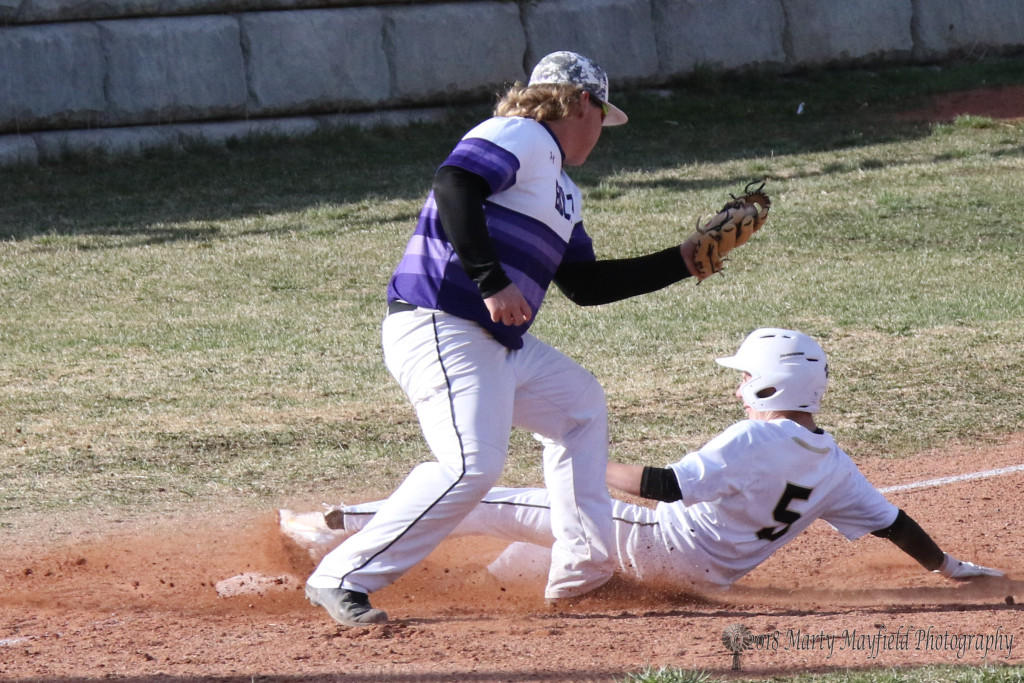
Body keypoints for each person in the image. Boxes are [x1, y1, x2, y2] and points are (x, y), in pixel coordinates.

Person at [304, 51, 712, 627]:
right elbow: (455, 183)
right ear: (584, 104)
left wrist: (682, 261)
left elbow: (587, 286)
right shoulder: (519, 133)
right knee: (471, 464)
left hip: (495, 344)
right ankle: (341, 577)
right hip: (440, 321)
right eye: (603, 118)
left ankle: (582, 573)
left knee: (579, 408)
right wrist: (491, 279)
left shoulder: (564, 190)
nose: (601, 134)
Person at [288, 328, 1003, 608]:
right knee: (515, 557)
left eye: (743, 376)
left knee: (493, 496)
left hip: (650, 540)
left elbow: (666, 486)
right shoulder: (836, 465)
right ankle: (477, 591)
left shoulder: (753, 440)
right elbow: (894, 523)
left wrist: (587, 462)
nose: (735, 385)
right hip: (704, 578)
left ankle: (324, 530)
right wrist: (947, 564)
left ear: (765, 387)